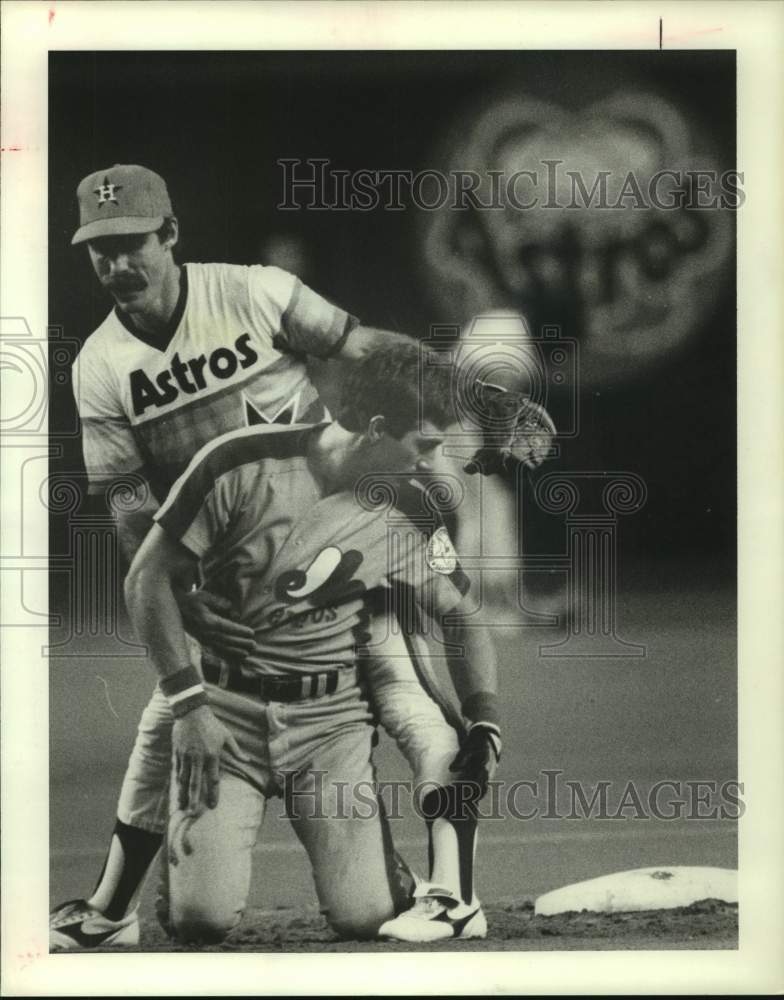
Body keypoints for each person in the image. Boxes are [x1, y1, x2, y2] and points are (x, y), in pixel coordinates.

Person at [50, 165, 549, 948]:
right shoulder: (102, 367)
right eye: (99, 250)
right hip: (222, 561)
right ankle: (114, 910)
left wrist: (472, 399)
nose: (116, 264)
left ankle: (450, 892)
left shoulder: (256, 293)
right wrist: (185, 618)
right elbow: (126, 512)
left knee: (416, 700)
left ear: (171, 235)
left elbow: (370, 347)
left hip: (337, 562)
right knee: (176, 734)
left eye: (131, 244)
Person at [123, 344, 501, 943]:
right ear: (376, 429)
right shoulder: (238, 463)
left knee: (367, 918)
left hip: (330, 724)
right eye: (424, 444)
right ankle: (171, 876)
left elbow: (462, 614)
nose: (432, 462)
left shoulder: (412, 505)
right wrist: (189, 707)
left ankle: (388, 881)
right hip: (224, 712)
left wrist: (485, 719)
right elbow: (146, 580)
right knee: (200, 920)